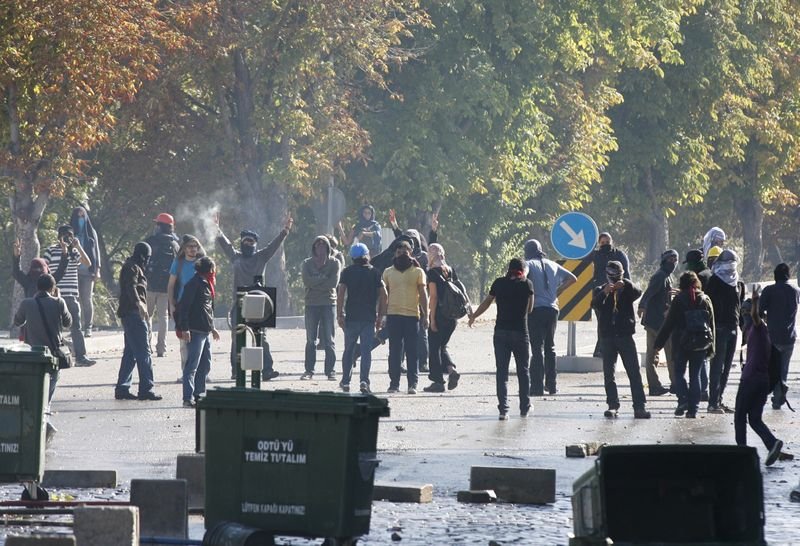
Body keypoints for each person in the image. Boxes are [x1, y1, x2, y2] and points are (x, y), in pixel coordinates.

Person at [216, 215, 292, 380]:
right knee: (237, 337)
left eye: (251, 242)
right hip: (238, 302)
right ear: (241, 243)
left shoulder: (261, 257)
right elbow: (225, 244)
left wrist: (285, 231)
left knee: (261, 338)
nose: (248, 244)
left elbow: (273, 246)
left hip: (258, 304)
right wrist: (217, 228)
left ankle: (267, 370)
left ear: (255, 244)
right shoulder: (235, 257)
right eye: (246, 241)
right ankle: (236, 370)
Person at [468, 258, 533, 420]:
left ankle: (503, 410)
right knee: (523, 371)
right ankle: (524, 407)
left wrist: (474, 316)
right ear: (522, 270)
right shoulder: (527, 284)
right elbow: (530, 309)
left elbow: (486, 302)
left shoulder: (499, 283)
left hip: (501, 333)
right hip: (520, 332)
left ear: (508, 269)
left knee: (502, 372)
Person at [592, 261, 651, 419]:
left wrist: (625, 283)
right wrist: (605, 292)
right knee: (609, 374)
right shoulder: (600, 289)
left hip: (625, 336)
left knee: (634, 372)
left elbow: (638, 292)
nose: (614, 278)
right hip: (607, 337)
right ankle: (613, 405)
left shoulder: (627, 290)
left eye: (617, 275)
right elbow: (594, 304)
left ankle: (639, 406)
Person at [654, 271, 716, 418]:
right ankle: (693, 409)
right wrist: (712, 346)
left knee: (679, 373)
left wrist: (658, 344)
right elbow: (711, 324)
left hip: (681, 343)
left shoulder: (679, 299)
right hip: (700, 343)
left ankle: (683, 401)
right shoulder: (705, 299)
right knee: (695, 376)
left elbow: (669, 323)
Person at [13, 274, 71, 427]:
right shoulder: (59, 302)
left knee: (34, 386)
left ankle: (35, 416)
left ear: (37, 287)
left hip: (33, 354)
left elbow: (17, 322)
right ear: (53, 288)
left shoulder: (27, 303)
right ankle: (44, 416)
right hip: (53, 354)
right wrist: (59, 298)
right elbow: (68, 323)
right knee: (51, 384)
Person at [735, 287, 784, 466]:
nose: (744, 317)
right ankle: (772, 443)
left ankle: (741, 453)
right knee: (754, 419)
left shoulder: (759, 328)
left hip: (750, 380)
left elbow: (755, 317)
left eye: (745, 313)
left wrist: (755, 301)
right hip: (762, 381)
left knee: (740, 416)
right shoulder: (757, 333)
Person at [524, 239, 576, 396]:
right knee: (550, 347)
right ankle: (552, 385)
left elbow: (523, 276)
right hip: (552, 309)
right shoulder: (553, 264)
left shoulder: (528, 264)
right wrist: (557, 292)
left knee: (536, 348)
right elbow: (572, 278)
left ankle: (536, 387)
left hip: (535, 310)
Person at [114, 243, 162, 401]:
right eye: (147, 257)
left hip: (130, 314)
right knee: (144, 352)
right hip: (134, 314)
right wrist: (139, 303)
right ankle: (146, 389)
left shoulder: (133, 266)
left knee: (130, 353)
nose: (148, 260)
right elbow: (131, 286)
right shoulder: (132, 267)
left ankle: (122, 388)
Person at [43, 225, 96, 366]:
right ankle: (54, 357)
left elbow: (88, 263)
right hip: (55, 295)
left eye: (70, 235)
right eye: (65, 235)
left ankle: (81, 357)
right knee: (53, 327)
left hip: (71, 295)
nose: (67, 238)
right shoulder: (50, 250)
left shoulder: (74, 252)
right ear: (59, 236)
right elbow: (44, 269)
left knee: (76, 327)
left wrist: (78, 247)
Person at [337, 243, 387, 394]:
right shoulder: (375, 272)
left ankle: (346, 381)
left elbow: (341, 293)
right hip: (368, 318)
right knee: (366, 351)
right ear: (366, 255)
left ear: (353, 257)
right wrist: (381, 314)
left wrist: (339, 314)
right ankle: (364, 381)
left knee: (349, 350)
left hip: (351, 317)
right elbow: (384, 293)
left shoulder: (347, 272)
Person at [382, 241, 428, 394]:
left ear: (411, 253)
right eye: (399, 252)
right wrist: (382, 315)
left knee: (412, 352)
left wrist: (426, 315)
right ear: (395, 254)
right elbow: (383, 295)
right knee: (394, 352)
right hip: (393, 316)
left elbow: (423, 295)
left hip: (412, 316)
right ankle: (394, 384)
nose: (402, 254)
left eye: (405, 251)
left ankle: (412, 384)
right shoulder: (388, 272)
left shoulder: (418, 272)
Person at [177, 256, 220, 407]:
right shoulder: (194, 284)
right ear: (208, 269)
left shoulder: (206, 284)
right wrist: (185, 328)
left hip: (205, 330)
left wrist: (212, 328)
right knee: (192, 366)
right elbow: (184, 307)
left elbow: (207, 309)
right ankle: (187, 398)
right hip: (195, 330)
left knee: (205, 364)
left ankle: (199, 395)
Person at [423, 243, 466, 393]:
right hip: (452, 316)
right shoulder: (451, 270)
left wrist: (432, 319)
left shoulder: (432, 273)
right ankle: (451, 371)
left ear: (431, 256)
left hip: (440, 315)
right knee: (442, 346)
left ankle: (437, 381)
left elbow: (433, 297)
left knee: (434, 348)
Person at [637, 249, 678, 396]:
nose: (673, 263)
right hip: (658, 323)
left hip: (659, 321)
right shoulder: (660, 276)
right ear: (664, 261)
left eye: (675, 260)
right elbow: (649, 292)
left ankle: (659, 386)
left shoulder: (667, 276)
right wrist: (642, 306)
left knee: (654, 355)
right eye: (670, 260)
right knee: (666, 355)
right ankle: (672, 385)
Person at [759, 263, 800, 410]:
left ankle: (769, 396)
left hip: (773, 337)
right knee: (783, 369)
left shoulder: (769, 290)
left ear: (775, 276)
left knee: (770, 369)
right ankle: (778, 398)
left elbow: (759, 311)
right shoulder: (796, 291)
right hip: (789, 337)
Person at [300, 236, 342, 380]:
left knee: (329, 340)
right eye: (318, 245)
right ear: (314, 248)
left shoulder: (335, 263)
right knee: (311, 339)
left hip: (329, 303)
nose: (321, 247)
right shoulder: (307, 263)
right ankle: (309, 371)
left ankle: (330, 371)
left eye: (324, 245)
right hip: (311, 304)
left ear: (328, 248)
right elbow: (307, 282)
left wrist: (316, 282)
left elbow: (333, 283)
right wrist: (323, 278)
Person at [705, 249, 741, 413]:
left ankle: (719, 400)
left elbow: (737, 306)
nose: (730, 267)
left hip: (733, 327)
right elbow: (708, 305)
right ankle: (712, 402)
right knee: (717, 366)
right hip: (719, 328)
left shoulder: (737, 282)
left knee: (726, 368)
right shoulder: (714, 281)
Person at [167, 235, 205, 378]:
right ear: (184, 248)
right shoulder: (178, 263)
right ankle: (186, 373)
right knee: (184, 343)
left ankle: (201, 374)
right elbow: (171, 285)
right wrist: (171, 305)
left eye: (195, 246)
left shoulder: (202, 263)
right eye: (190, 246)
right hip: (183, 307)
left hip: (200, 307)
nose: (193, 249)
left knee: (202, 342)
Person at [144, 213, 180, 357]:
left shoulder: (150, 241)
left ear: (159, 226)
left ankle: (147, 346)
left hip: (149, 286)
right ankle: (161, 348)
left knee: (146, 316)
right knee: (163, 318)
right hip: (167, 288)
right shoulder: (175, 245)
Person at [592, 232, 630, 357]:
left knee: (614, 322)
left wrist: (626, 289)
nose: (605, 244)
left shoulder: (619, 255)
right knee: (602, 321)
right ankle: (601, 349)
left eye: (607, 242)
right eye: (602, 242)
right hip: (601, 293)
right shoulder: (595, 255)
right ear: (599, 243)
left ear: (612, 242)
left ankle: (608, 349)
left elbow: (627, 274)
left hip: (617, 294)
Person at [683, 248, 712, 400]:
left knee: (701, 358)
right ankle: (704, 389)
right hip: (709, 319)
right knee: (705, 356)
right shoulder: (710, 273)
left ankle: (702, 390)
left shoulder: (699, 277)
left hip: (699, 320)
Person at [70, 206, 101, 338]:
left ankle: (88, 327)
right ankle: (76, 327)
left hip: (88, 272)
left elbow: (97, 252)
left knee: (87, 299)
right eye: (78, 216)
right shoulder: (70, 232)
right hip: (73, 271)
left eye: (83, 216)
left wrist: (97, 269)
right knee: (74, 300)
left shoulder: (91, 232)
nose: (80, 219)